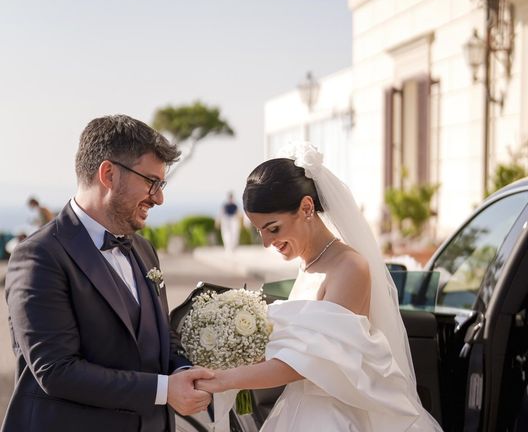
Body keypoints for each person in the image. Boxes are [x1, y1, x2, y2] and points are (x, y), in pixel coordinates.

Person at [195, 142, 443, 431]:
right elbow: (300, 344)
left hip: (334, 417)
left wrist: (227, 378)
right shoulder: (309, 264)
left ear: (306, 208)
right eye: (259, 231)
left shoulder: (349, 267)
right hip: (299, 410)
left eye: (273, 228)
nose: (265, 242)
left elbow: (312, 361)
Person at [3, 115, 214, 432]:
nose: (159, 197)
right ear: (109, 174)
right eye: (151, 182)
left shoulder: (143, 249)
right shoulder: (39, 255)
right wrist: (165, 390)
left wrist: (185, 370)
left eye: (161, 184)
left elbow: (159, 335)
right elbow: (57, 371)